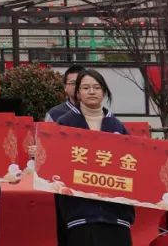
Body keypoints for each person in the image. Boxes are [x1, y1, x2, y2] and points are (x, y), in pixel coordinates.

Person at [55, 70, 134, 246]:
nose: (92, 91)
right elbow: (55, 162)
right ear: (78, 93)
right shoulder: (65, 124)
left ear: (104, 92)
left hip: (116, 216)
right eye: (86, 88)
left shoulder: (117, 127)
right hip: (80, 215)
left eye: (97, 87)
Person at [46, 64, 86, 246]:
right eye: (72, 83)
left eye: (81, 83)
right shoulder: (55, 115)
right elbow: (47, 148)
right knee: (65, 225)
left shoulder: (101, 114)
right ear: (65, 87)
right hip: (63, 180)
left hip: (89, 178)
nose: (77, 87)